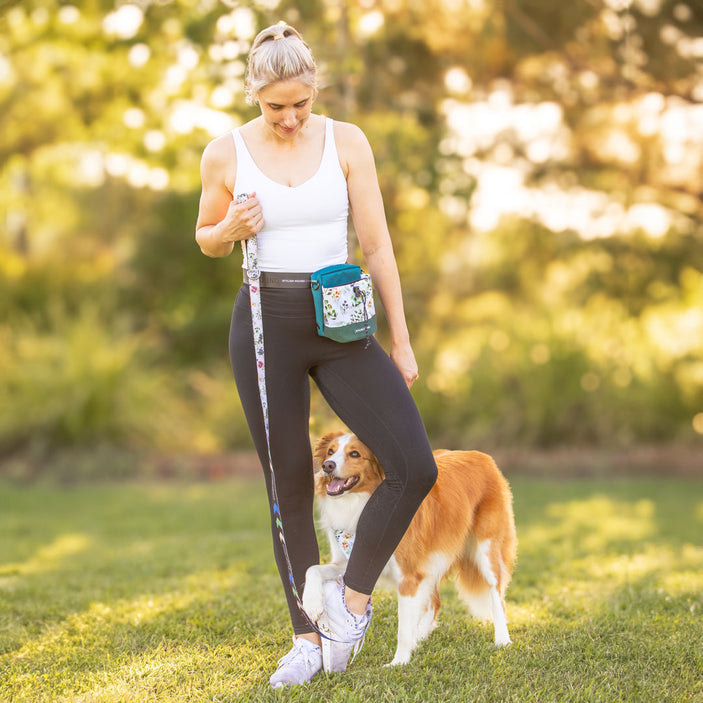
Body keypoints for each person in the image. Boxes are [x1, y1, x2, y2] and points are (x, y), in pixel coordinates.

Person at [195, 23, 438, 688]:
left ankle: (352, 600)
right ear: (254, 95)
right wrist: (228, 229)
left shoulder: (346, 141)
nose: (290, 117)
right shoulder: (225, 153)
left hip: (341, 321)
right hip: (264, 323)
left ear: (313, 91)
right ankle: (305, 636)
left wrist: (402, 336)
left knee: (413, 463)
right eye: (276, 106)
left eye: (300, 103)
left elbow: (378, 245)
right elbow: (205, 238)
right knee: (288, 485)